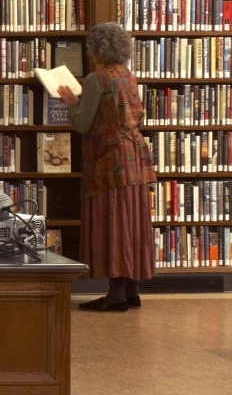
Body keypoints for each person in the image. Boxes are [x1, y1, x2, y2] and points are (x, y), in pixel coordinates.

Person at [56, 22, 156, 311]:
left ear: (96, 49)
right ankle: (131, 290)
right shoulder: (128, 75)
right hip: (135, 160)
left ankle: (115, 295)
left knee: (112, 222)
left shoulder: (96, 79)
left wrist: (72, 102)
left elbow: (82, 124)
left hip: (109, 162)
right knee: (133, 222)